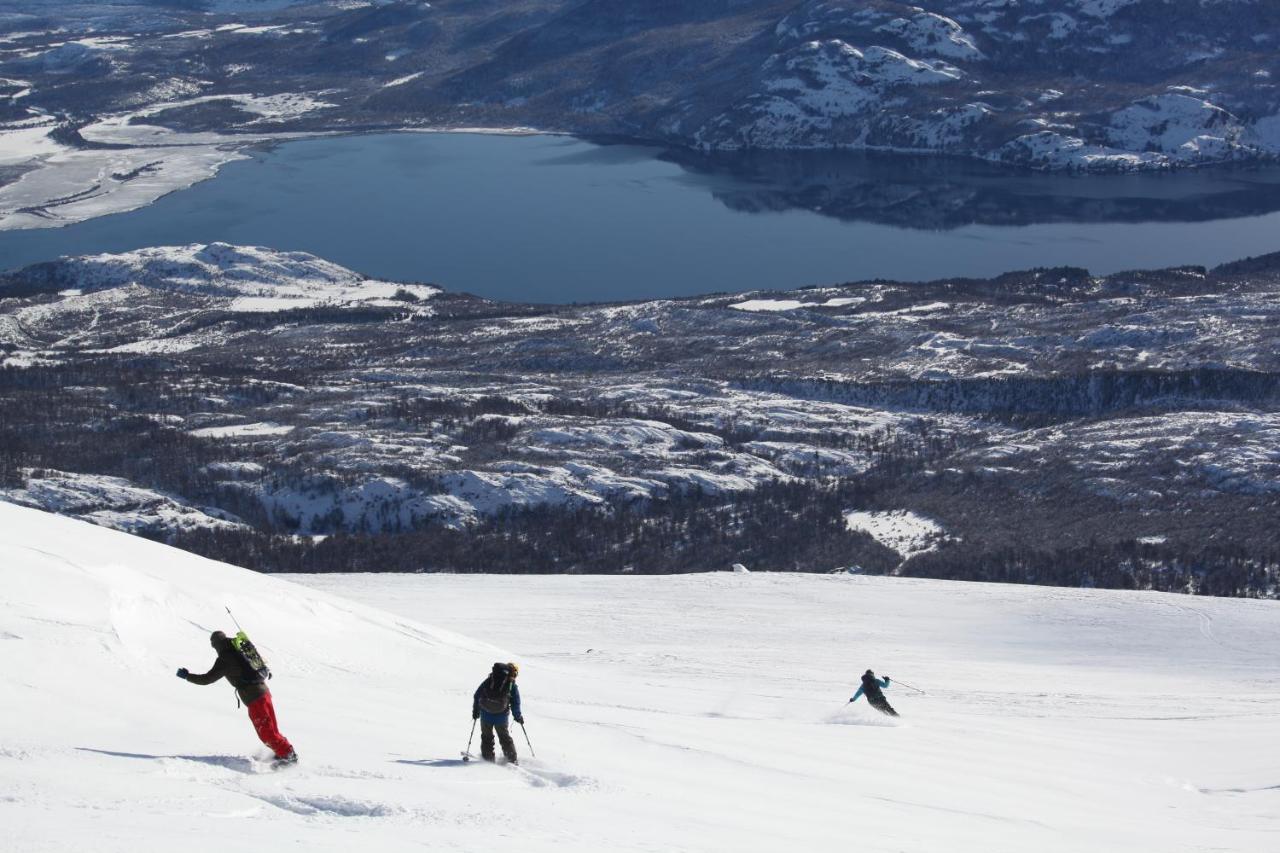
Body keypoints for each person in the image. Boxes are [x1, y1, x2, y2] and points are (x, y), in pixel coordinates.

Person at [177, 630, 297, 764]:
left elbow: (207, 679)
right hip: (264, 692)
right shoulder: (238, 650)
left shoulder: (224, 659)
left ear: (215, 644)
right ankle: (283, 752)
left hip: (255, 698)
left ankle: (288, 756)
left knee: (266, 732)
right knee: (271, 728)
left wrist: (187, 676)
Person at [472, 662, 523, 764]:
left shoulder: (490, 680)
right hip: (501, 717)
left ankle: (488, 760)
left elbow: (477, 695)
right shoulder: (511, 685)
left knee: (487, 737)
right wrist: (518, 716)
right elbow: (515, 703)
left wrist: (476, 711)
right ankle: (512, 760)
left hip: (485, 714)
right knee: (504, 738)